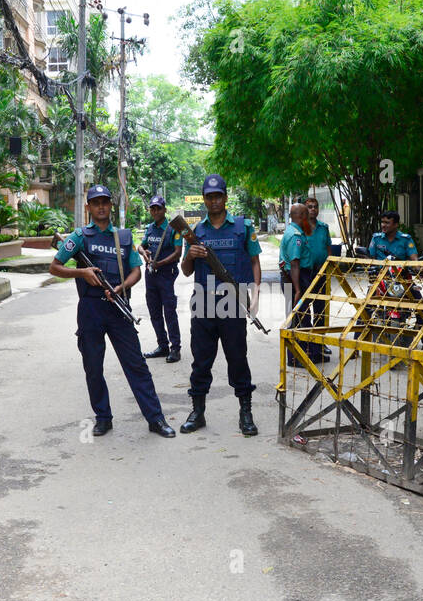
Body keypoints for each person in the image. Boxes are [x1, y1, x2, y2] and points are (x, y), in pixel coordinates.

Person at [49, 185, 175, 438]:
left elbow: (136, 271)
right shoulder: (80, 236)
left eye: (105, 201)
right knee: (93, 367)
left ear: (110, 205)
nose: (101, 206)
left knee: (136, 365)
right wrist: (81, 272)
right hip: (90, 308)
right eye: (96, 203)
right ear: (89, 207)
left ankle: (155, 418)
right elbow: (54, 267)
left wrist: (121, 287)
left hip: (118, 307)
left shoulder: (123, 237)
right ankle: (103, 418)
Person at [179, 174, 263, 437]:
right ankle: (198, 412)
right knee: (201, 361)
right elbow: (185, 271)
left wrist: (256, 294)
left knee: (237, 358)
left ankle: (246, 412)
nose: (214, 201)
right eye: (209, 196)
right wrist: (190, 255)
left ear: (226, 197)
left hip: (233, 303)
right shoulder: (194, 232)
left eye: (218, 196)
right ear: (204, 199)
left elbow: (254, 262)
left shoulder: (243, 227)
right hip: (203, 303)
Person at [138, 194, 182, 362]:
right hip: (151, 275)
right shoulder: (149, 228)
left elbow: (177, 252)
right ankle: (162, 346)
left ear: (164, 210)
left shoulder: (173, 229)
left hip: (166, 275)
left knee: (169, 312)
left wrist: (160, 263)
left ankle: (175, 348)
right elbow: (141, 246)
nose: (155, 211)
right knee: (154, 311)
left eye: (158, 208)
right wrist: (144, 253)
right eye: (153, 208)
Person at [280, 203, 322, 367]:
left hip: (297, 277)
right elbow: (295, 263)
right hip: (296, 278)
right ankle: (297, 357)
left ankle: (303, 354)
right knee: (299, 319)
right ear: (300, 216)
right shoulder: (295, 236)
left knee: (300, 317)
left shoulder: (296, 232)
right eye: (306, 214)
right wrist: (298, 289)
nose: (309, 217)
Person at [303, 196, 332, 356]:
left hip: (322, 273)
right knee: (305, 308)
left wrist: (328, 268)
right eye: (309, 207)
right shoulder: (300, 227)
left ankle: (320, 343)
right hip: (306, 273)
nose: (313, 209)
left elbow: (327, 248)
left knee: (321, 310)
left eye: (315, 206)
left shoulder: (324, 227)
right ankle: (306, 342)